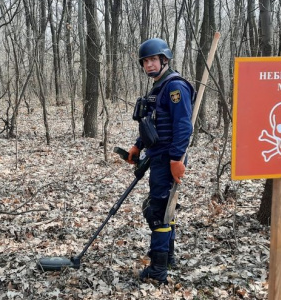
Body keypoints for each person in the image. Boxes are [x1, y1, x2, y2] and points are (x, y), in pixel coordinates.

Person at [126, 38, 194, 284]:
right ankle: (168, 256)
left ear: (164, 59)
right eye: (145, 61)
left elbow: (184, 125)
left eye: (153, 59)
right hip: (157, 156)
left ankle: (157, 269)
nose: (149, 64)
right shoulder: (158, 88)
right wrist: (138, 145)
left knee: (157, 212)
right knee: (164, 209)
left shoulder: (175, 87)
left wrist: (176, 159)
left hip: (167, 158)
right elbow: (152, 123)